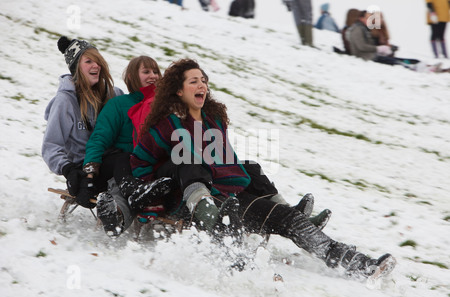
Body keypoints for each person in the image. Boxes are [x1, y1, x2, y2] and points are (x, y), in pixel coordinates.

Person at [130, 58, 396, 279]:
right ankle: (238, 262)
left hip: (230, 197)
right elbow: (140, 163)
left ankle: (358, 264)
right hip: (190, 203)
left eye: (204, 80)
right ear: (178, 90)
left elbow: (227, 162)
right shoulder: (166, 125)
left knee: (288, 219)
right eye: (194, 81)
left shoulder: (213, 121)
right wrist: (159, 194)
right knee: (190, 160)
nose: (202, 85)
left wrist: (245, 181)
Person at [82, 56, 173, 236]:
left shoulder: (165, 107)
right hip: (117, 162)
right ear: (132, 76)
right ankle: (117, 215)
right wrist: (89, 172)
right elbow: (99, 138)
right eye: (146, 72)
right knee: (124, 167)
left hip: (146, 167)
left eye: (156, 72)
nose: (153, 76)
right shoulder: (119, 104)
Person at [42, 36, 124, 213]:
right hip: (83, 169)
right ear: (76, 67)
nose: (96, 66)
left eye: (98, 61)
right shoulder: (65, 102)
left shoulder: (114, 95)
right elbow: (51, 146)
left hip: (116, 162)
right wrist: (68, 169)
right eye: (88, 61)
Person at [346, 11, 421, 68]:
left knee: (397, 60)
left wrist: (388, 48)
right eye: (367, 18)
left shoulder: (363, 28)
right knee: (395, 62)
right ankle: (412, 67)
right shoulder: (358, 29)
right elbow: (361, 46)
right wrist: (379, 49)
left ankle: (417, 64)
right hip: (368, 57)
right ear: (361, 18)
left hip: (372, 55)